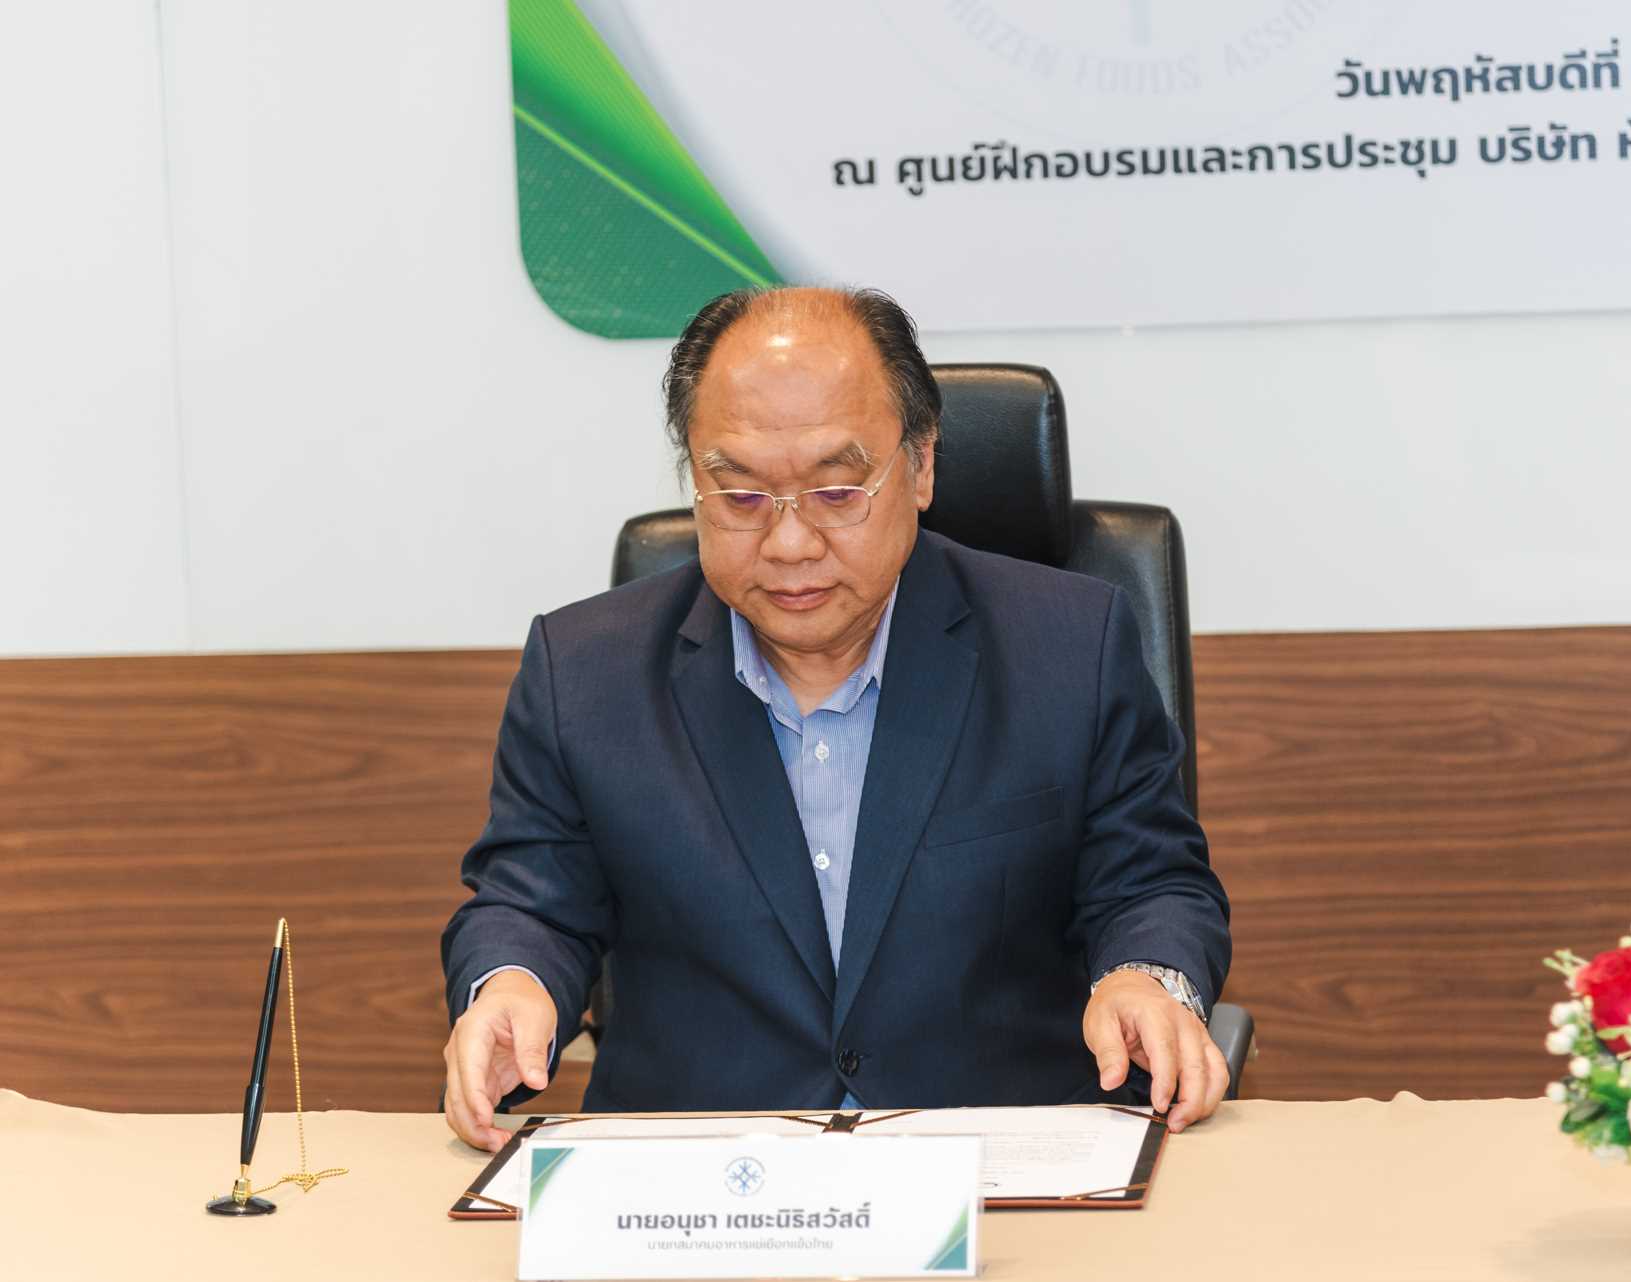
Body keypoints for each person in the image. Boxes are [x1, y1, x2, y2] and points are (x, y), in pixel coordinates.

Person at [441, 286, 1231, 1152]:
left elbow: (1151, 884)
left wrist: (1144, 979)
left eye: (837, 490)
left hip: (998, 1164)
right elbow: (533, 905)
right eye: (741, 496)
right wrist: (512, 985)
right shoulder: (585, 672)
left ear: (920, 467)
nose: (790, 544)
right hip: (697, 1178)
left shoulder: (1069, 646)